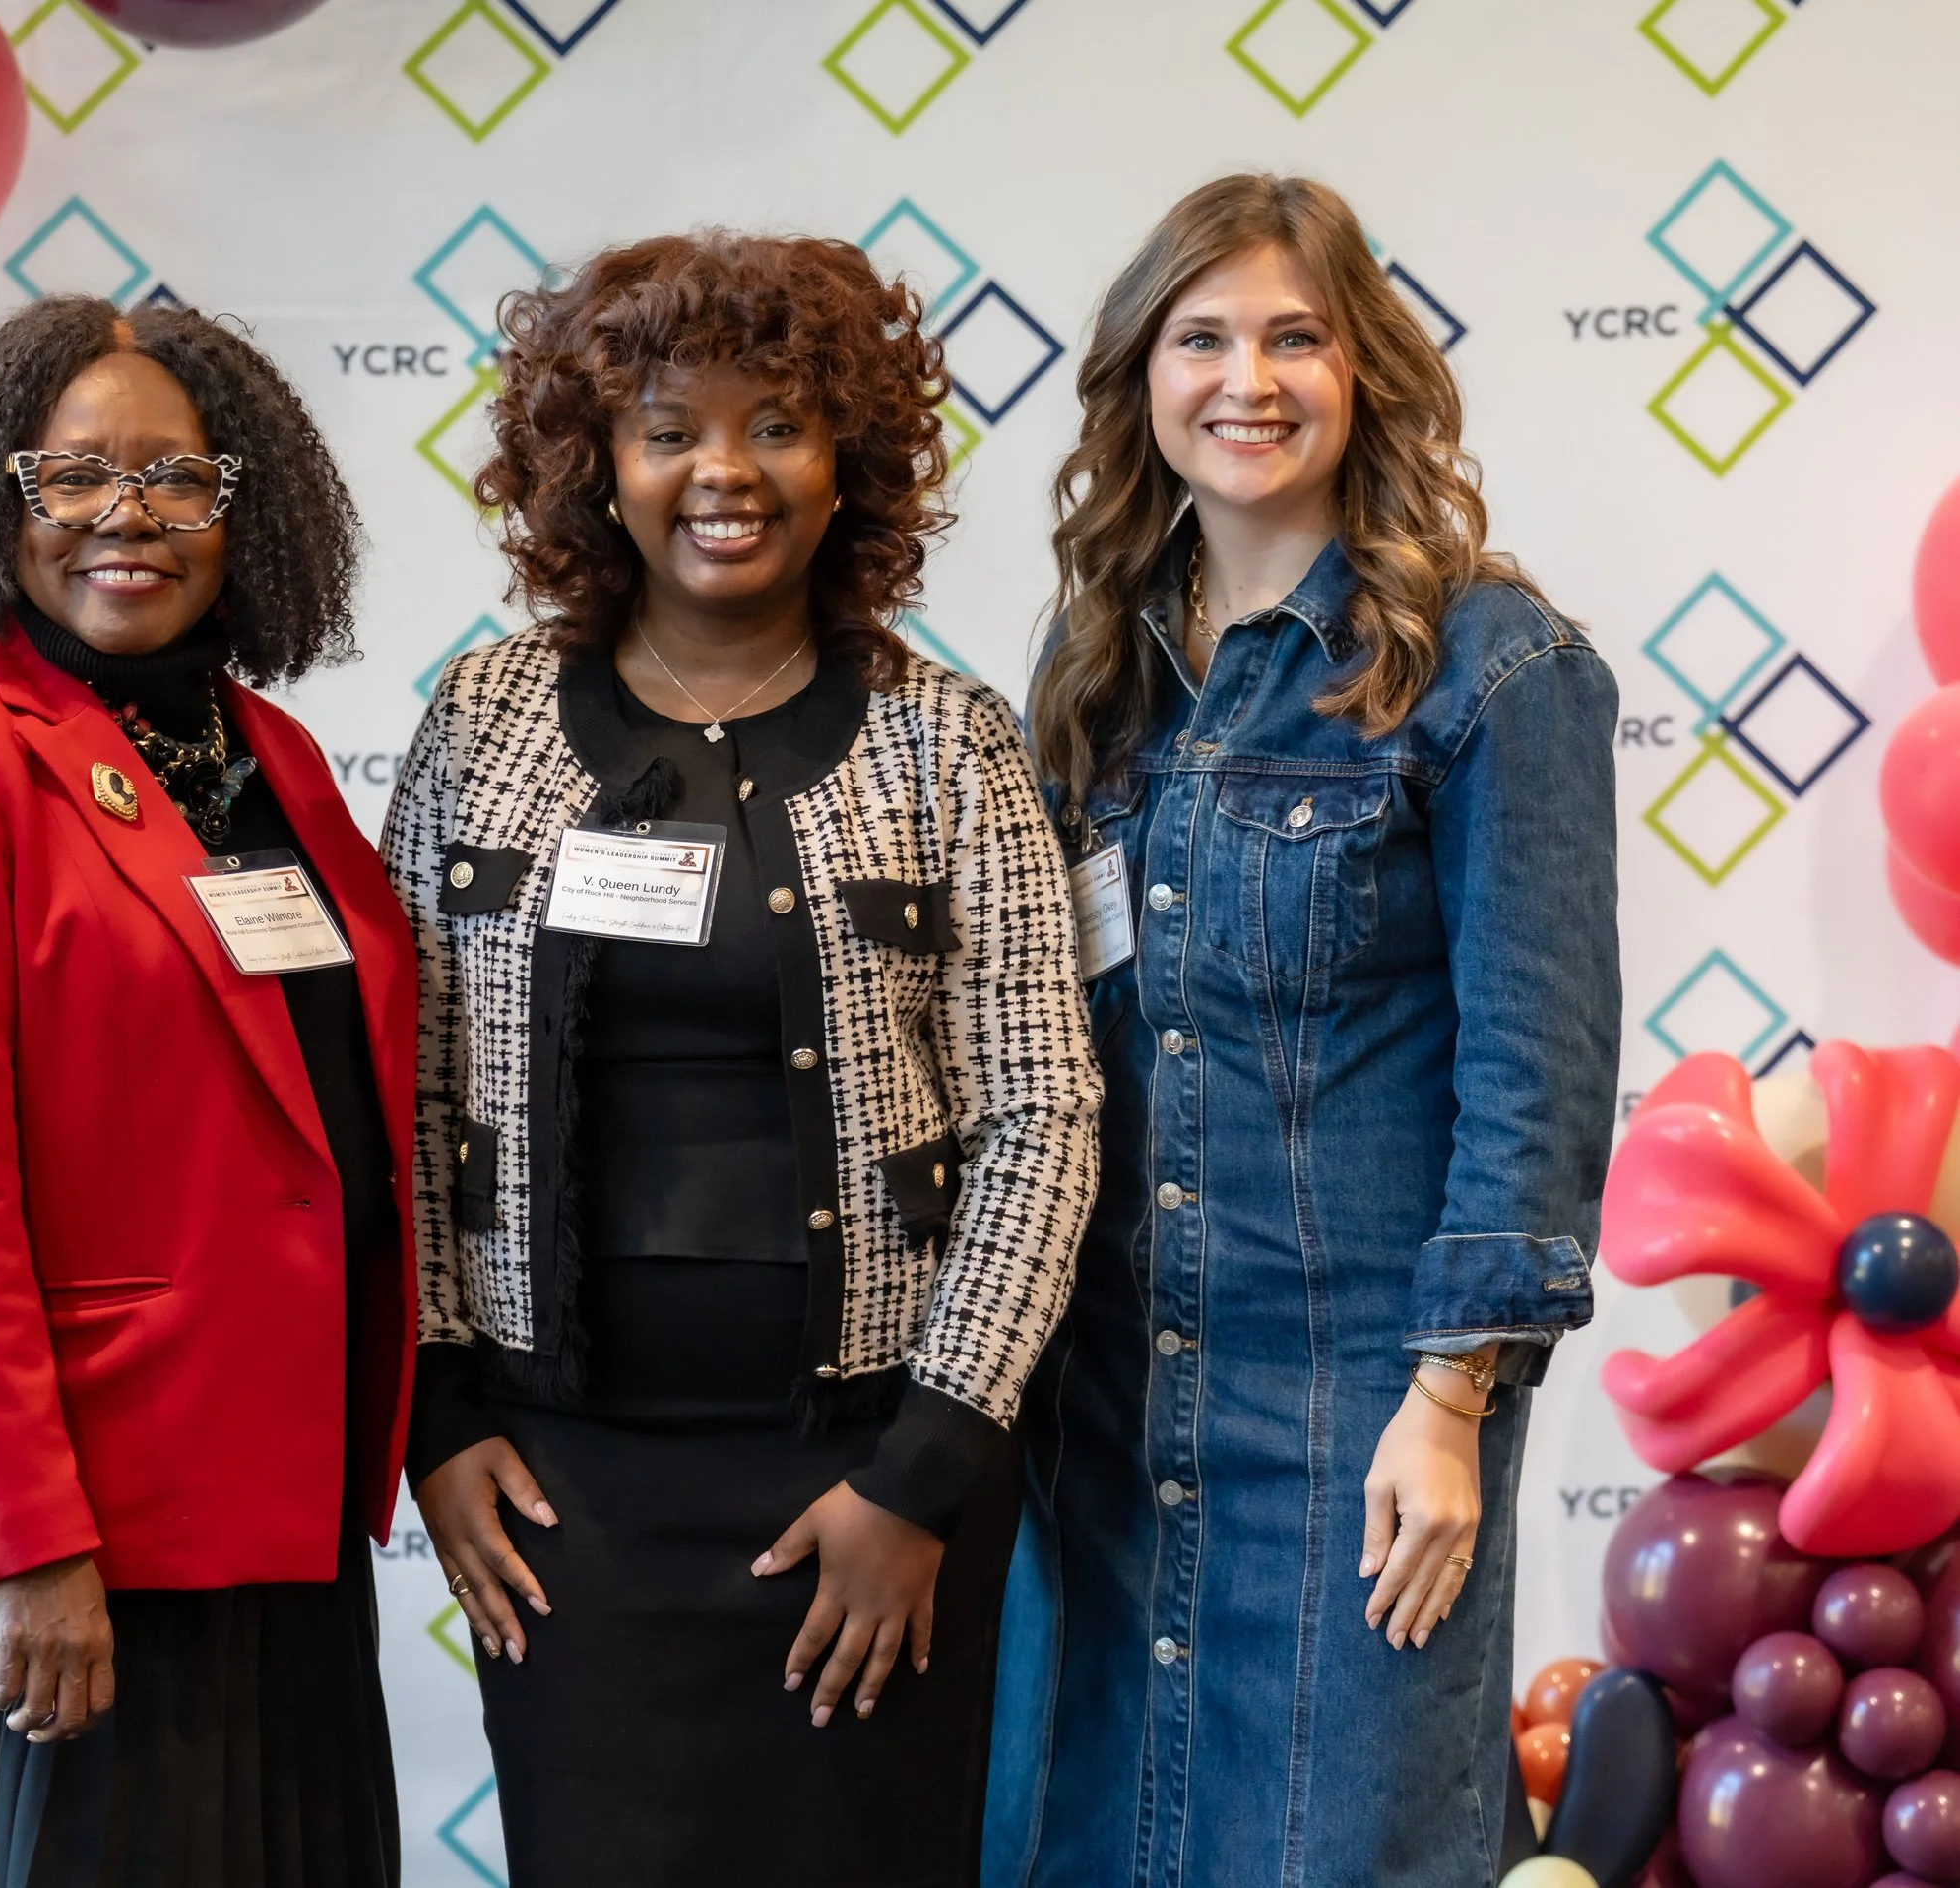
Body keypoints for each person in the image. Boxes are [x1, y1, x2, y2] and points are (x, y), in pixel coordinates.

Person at [382, 232, 1100, 1888]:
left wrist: (922, 1474)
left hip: (869, 1484)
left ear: (849, 455)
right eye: (665, 426)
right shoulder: (481, 720)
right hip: (567, 1505)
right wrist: (436, 1413)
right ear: (596, 468)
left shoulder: (949, 736)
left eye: (777, 421)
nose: (723, 469)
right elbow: (407, 1093)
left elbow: (1040, 1114)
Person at [985, 174, 1621, 1888]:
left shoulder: (1489, 664)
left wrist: (1452, 1392)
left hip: (1366, 1403)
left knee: (1341, 1850)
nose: (1244, 379)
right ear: (1142, 379)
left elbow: (1537, 1066)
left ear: (1365, 374)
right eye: (1201, 338)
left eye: (1294, 336)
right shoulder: (1094, 664)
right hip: (1113, 1398)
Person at [0, 297, 414, 1888]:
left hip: (266, 1513)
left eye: (177, 477)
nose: (126, 516)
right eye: (71, 476)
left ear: (240, 508)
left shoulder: (268, 754)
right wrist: (27, 1543)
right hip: (63, 1541)